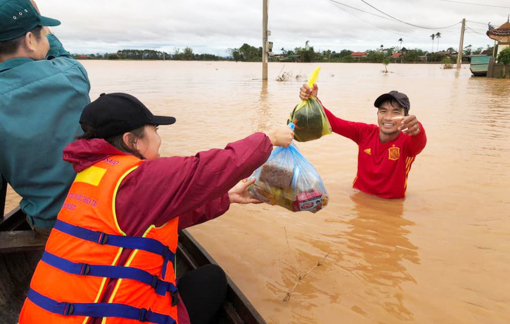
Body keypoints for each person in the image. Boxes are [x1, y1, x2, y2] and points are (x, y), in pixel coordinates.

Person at [18, 92, 294, 324]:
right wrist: (267, 139)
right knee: (212, 280)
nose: (160, 140)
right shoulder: (137, 178)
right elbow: (206, 169)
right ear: (132, 141)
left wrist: (227, 197)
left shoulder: (92, 175)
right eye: (155, 131)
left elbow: (156, 218)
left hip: (42, 314)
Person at [0, 0, 90, 234]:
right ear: (30, 40)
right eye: (41, 33)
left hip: (46, 223)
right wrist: (36, 15)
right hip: (94, 212)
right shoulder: (72, 74)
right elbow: (59, 53)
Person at [299, 84, 427, 199]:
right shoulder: (365, 132)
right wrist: (314, 100)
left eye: (396, 112)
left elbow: (419, 142)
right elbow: (334, 123)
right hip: (359, 197)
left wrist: (418, 128)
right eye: (383, 111)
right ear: (377, 114)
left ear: (406, 117)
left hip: (391, 204)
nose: (388, 118)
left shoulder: (408, 141)